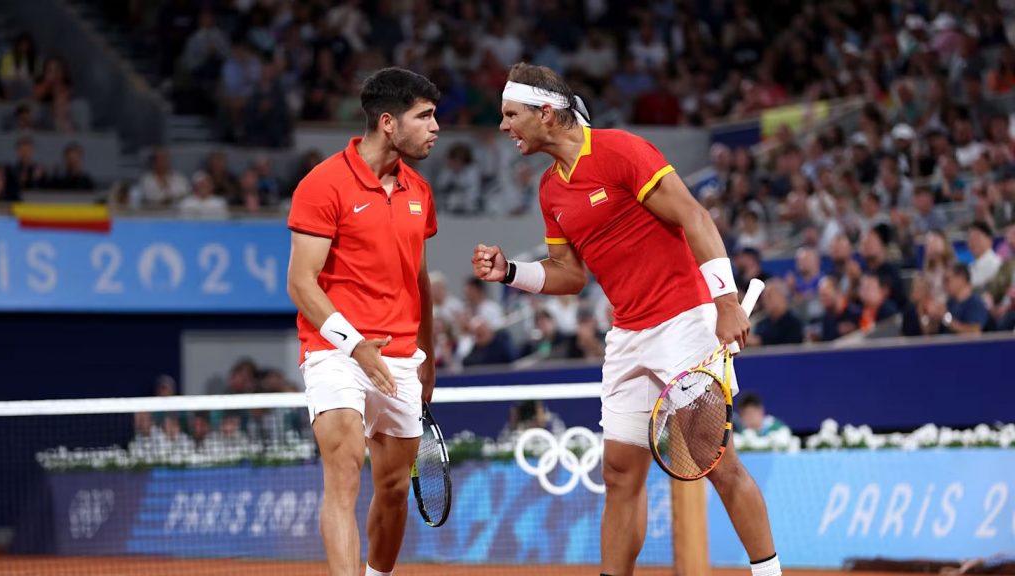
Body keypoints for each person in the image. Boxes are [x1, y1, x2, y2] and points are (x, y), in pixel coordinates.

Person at [472, 63, 780, 576]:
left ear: (546, 114)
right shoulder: (550, 190)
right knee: (618, 473)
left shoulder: (620, 150)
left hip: (684, 321)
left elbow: (694, 216)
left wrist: (726, 301)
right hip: (628, 335)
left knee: (716, 462)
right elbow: (569, 275)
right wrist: (511, 273)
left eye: (511, 115)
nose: (503, 126)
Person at [285, 67, 440, 576]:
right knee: (345, 467)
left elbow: (418, 284)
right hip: (336, 353)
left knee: (393, 490)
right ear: (389, 123)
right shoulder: (323, 183)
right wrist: (354, 346)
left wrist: (428, 362)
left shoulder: (420, 190)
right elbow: (301, 284)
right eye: (425, 116)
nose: (435, 127)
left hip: (399, 359)